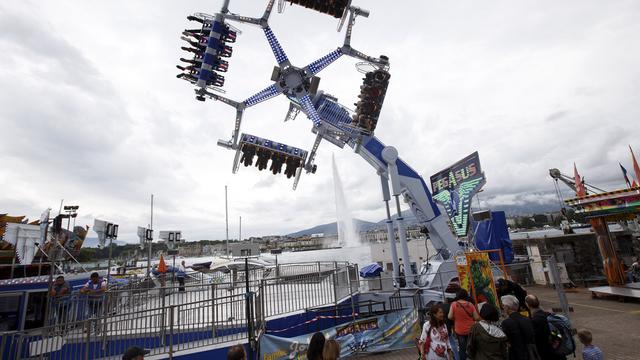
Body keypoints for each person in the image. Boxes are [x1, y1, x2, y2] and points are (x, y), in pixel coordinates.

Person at [524, 294, 566, 360]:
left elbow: (535, 338)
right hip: (557, 350)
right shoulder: (547, 314)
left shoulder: (535, 320)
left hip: (547, 353)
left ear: (527, 305)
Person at [500, 295, 539, 360]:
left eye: (503, 305)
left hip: (516, 355)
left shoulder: (506, 322)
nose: (503, 307)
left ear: (507, 307)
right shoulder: (527, 319)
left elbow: (506, 342)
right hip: (530, 354)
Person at [448, 289, 479, 360]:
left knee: (462, 349)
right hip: (471, 330)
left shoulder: (454, 304)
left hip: (459, 330)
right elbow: (476, 317)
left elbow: (449, 316)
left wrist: (457, 318)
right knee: (472, 348)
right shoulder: (470, 304)